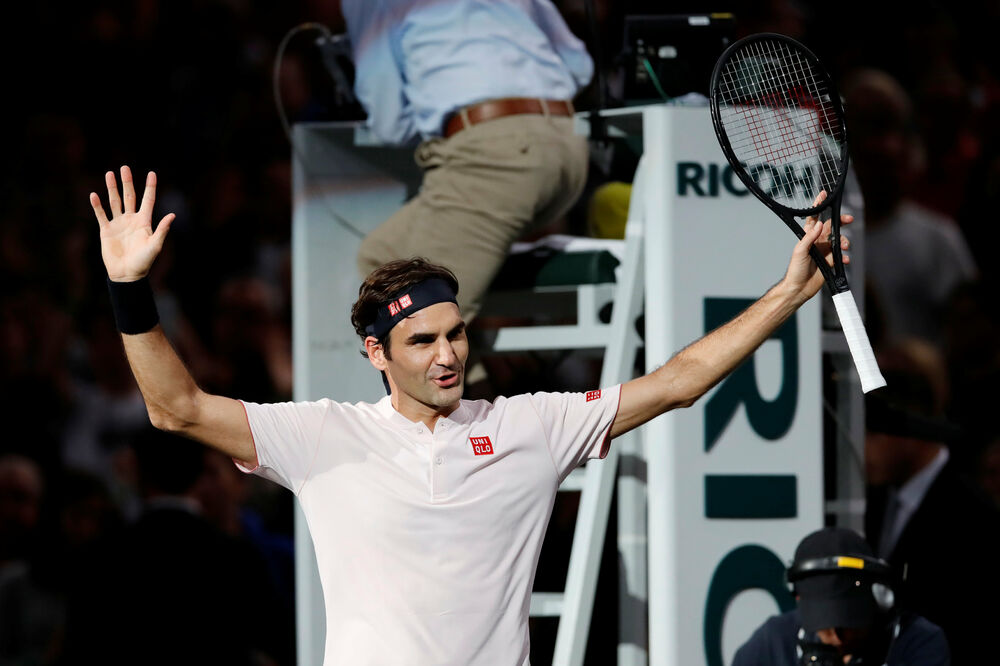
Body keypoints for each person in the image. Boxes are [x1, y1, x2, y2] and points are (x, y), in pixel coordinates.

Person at [89, 165, 851, 664]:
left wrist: (788, 292)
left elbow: (677, 382)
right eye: (422, 341)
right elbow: (176, 409)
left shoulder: (532, 425)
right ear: (375, 354)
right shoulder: (322, 435)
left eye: (455, 333)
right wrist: (130, 288)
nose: (447, 354)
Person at [342, 0, 594, 333]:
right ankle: (483, 379)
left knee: (427, 323)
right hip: (569, 143)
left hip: (495, 158)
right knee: (384, 259)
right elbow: (579, 65)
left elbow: (389, 121)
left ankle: (476, 382)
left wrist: (443, 115)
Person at [864, 345, 1000, 664]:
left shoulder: (975, 517)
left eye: (872, 432)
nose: (862, 447)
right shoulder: (870, 500)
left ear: (911, 429)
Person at [732, 527, 948, 666]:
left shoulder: (917, 640)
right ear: (799, 601)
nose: (838, 637)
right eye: (825, 625)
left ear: (878, 597)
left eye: (849, 622)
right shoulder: (773, 642)